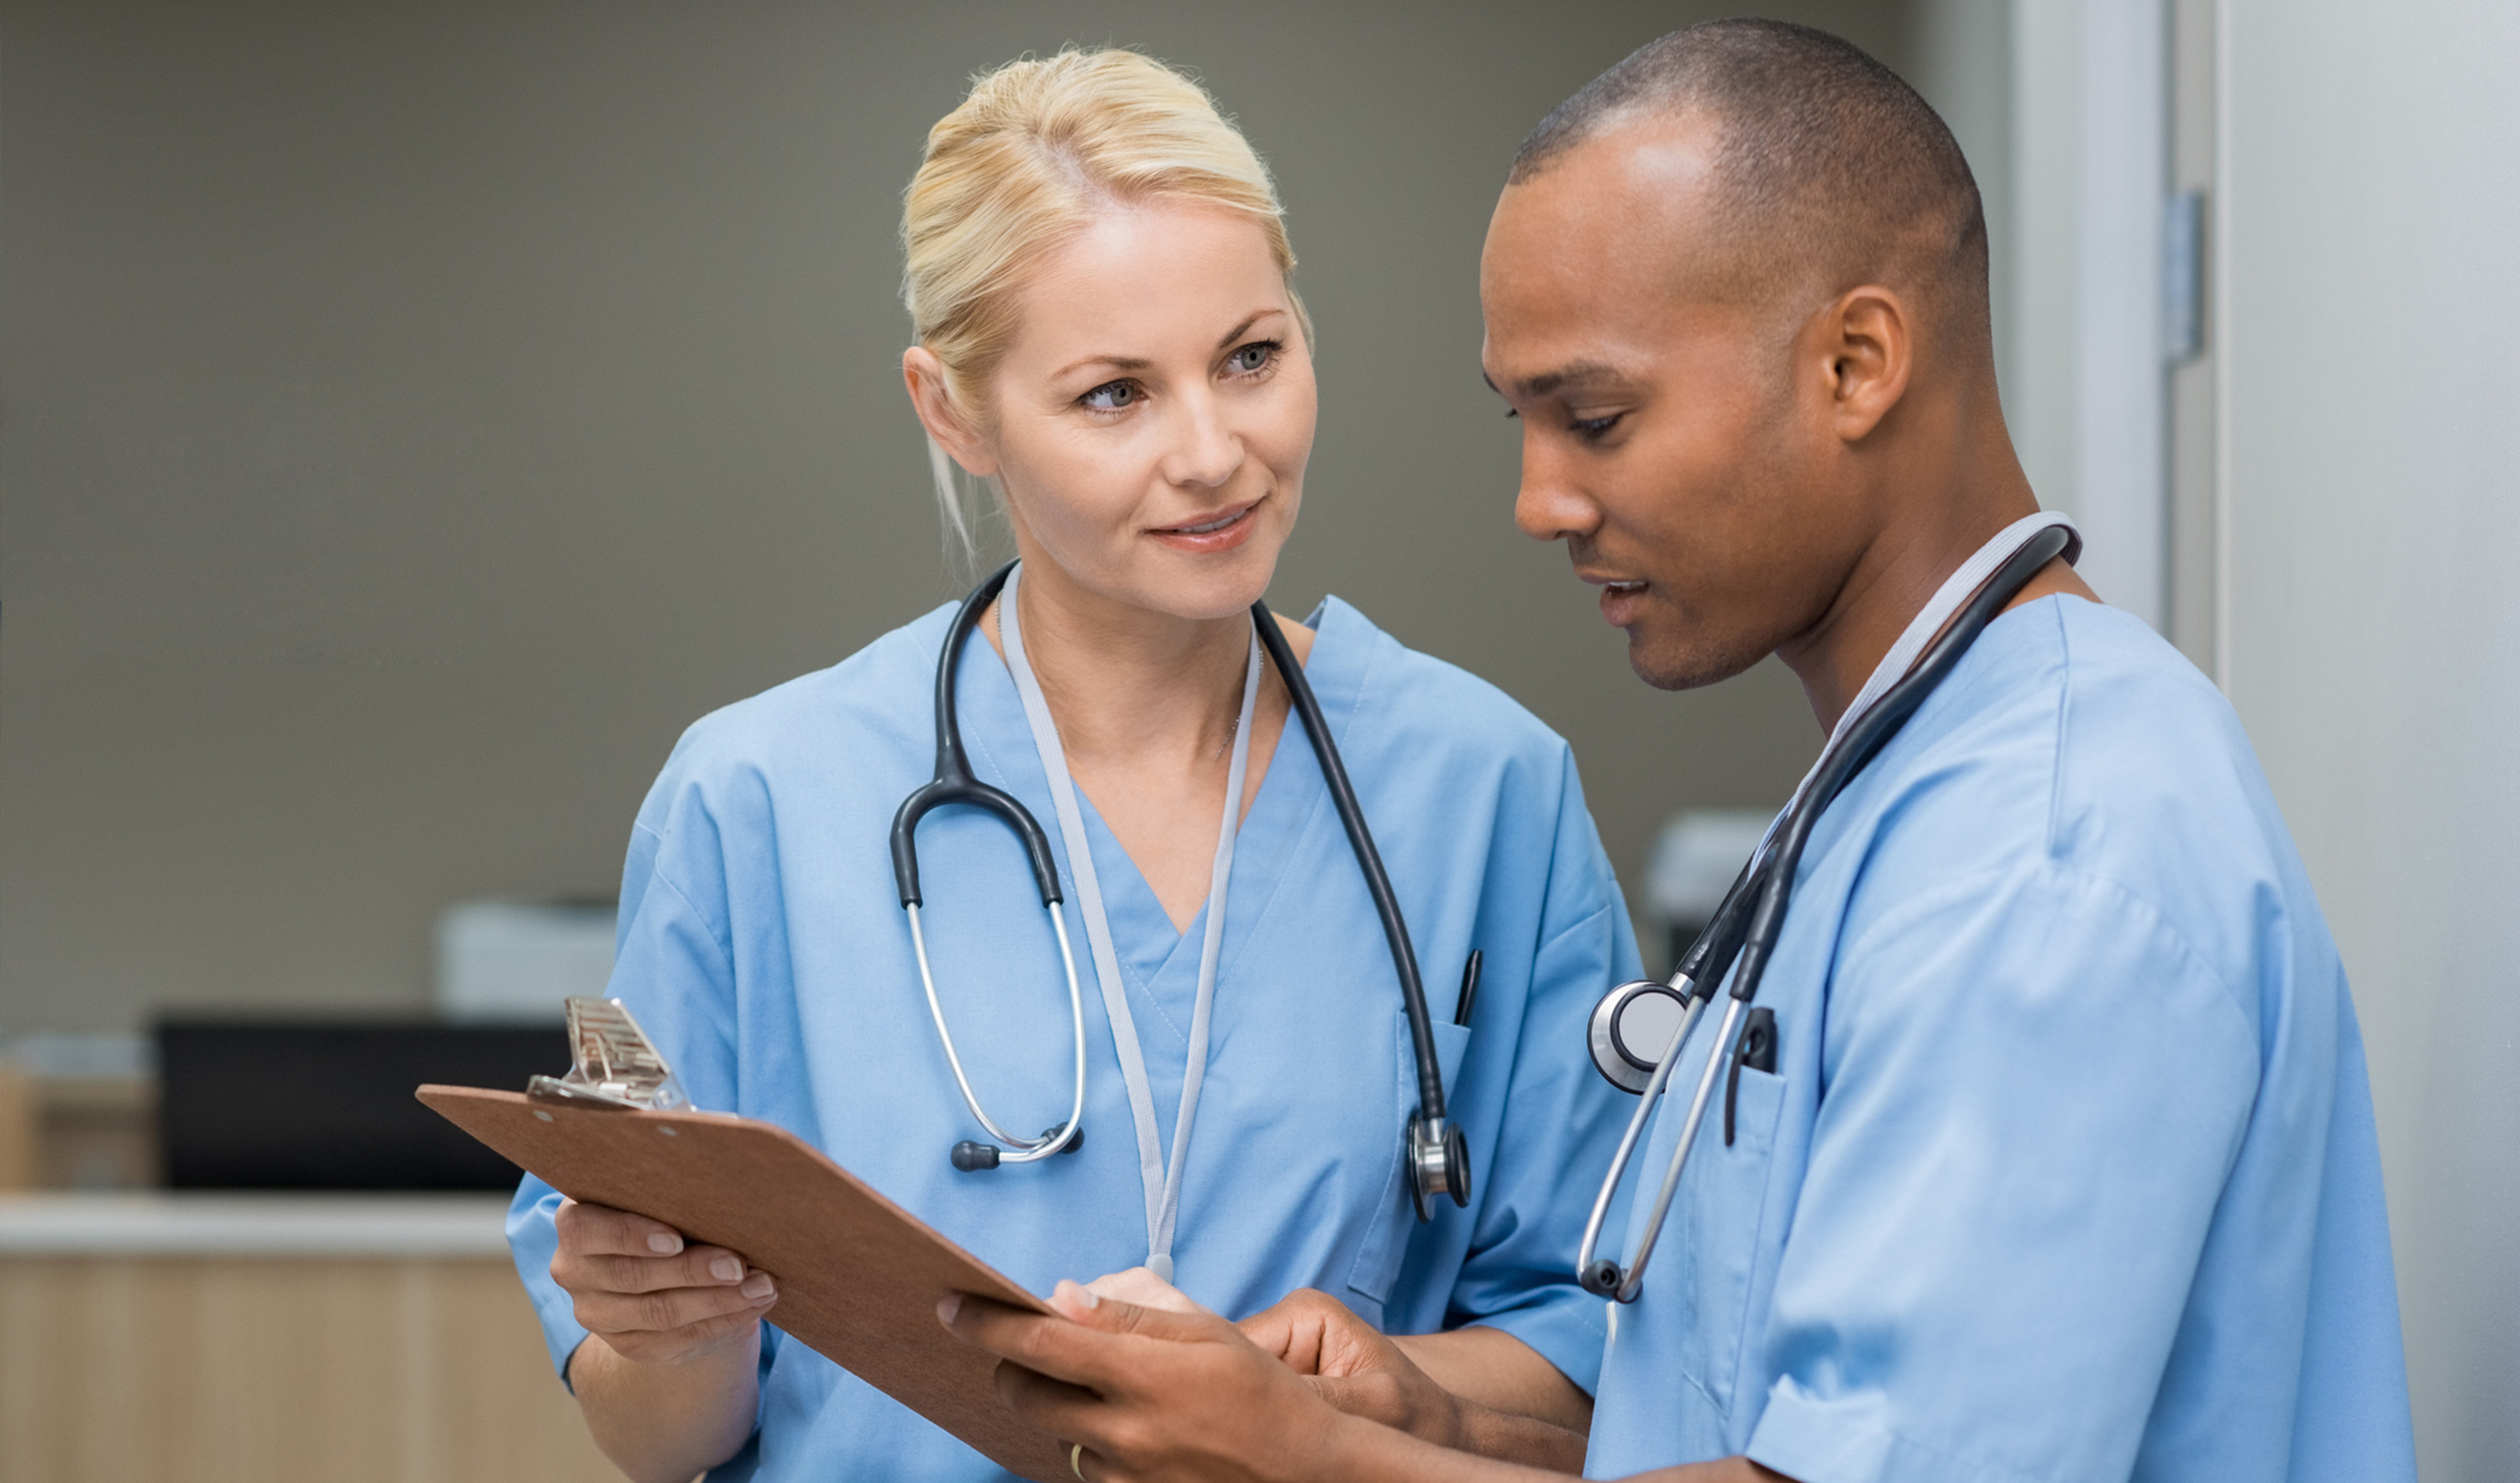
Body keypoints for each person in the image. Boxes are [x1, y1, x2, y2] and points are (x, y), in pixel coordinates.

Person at [938, 21, 2418, 1483]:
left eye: (1594, 418)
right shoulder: (1902, 790)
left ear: (1855, 363)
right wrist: (1412, 1408)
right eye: (1522, 422)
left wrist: (1301, 1459)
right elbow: (1717, 1411)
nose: (1539, 501)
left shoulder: (2045, 860)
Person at [503, 47, 1642, 1483]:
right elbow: (662, 1442)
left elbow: (1592, 1363)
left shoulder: (1485, 790)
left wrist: (1333, 1395)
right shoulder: (760, 802)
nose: (1216, 453)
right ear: (953, 410)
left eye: (1252, 356)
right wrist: (672, 1330)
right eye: (1115, 395)